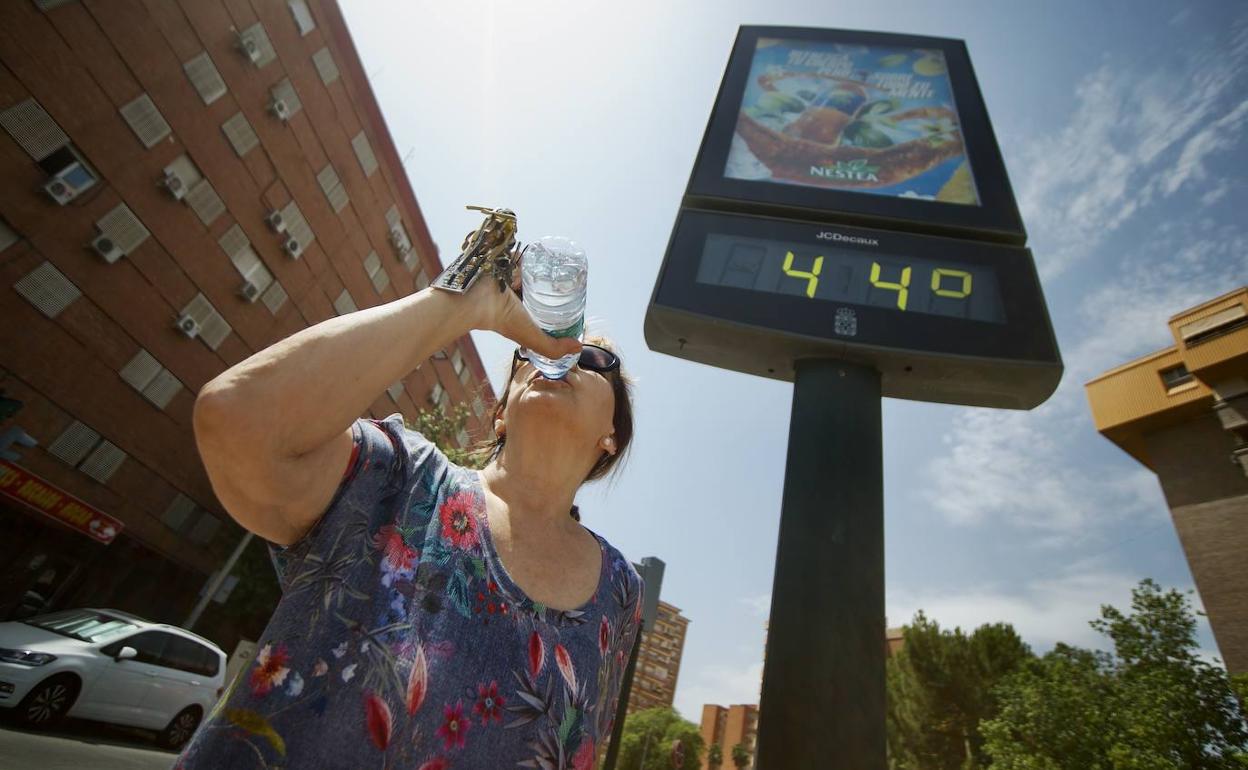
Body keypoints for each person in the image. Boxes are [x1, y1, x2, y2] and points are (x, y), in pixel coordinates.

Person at [177, 253, 643, 769]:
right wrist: (464, 304)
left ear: (612, 436)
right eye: (527, 356)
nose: (561, 357)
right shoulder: (402, 475)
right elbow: (236, 421)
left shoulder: (620, 589)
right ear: (502, 412)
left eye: (595, 361)